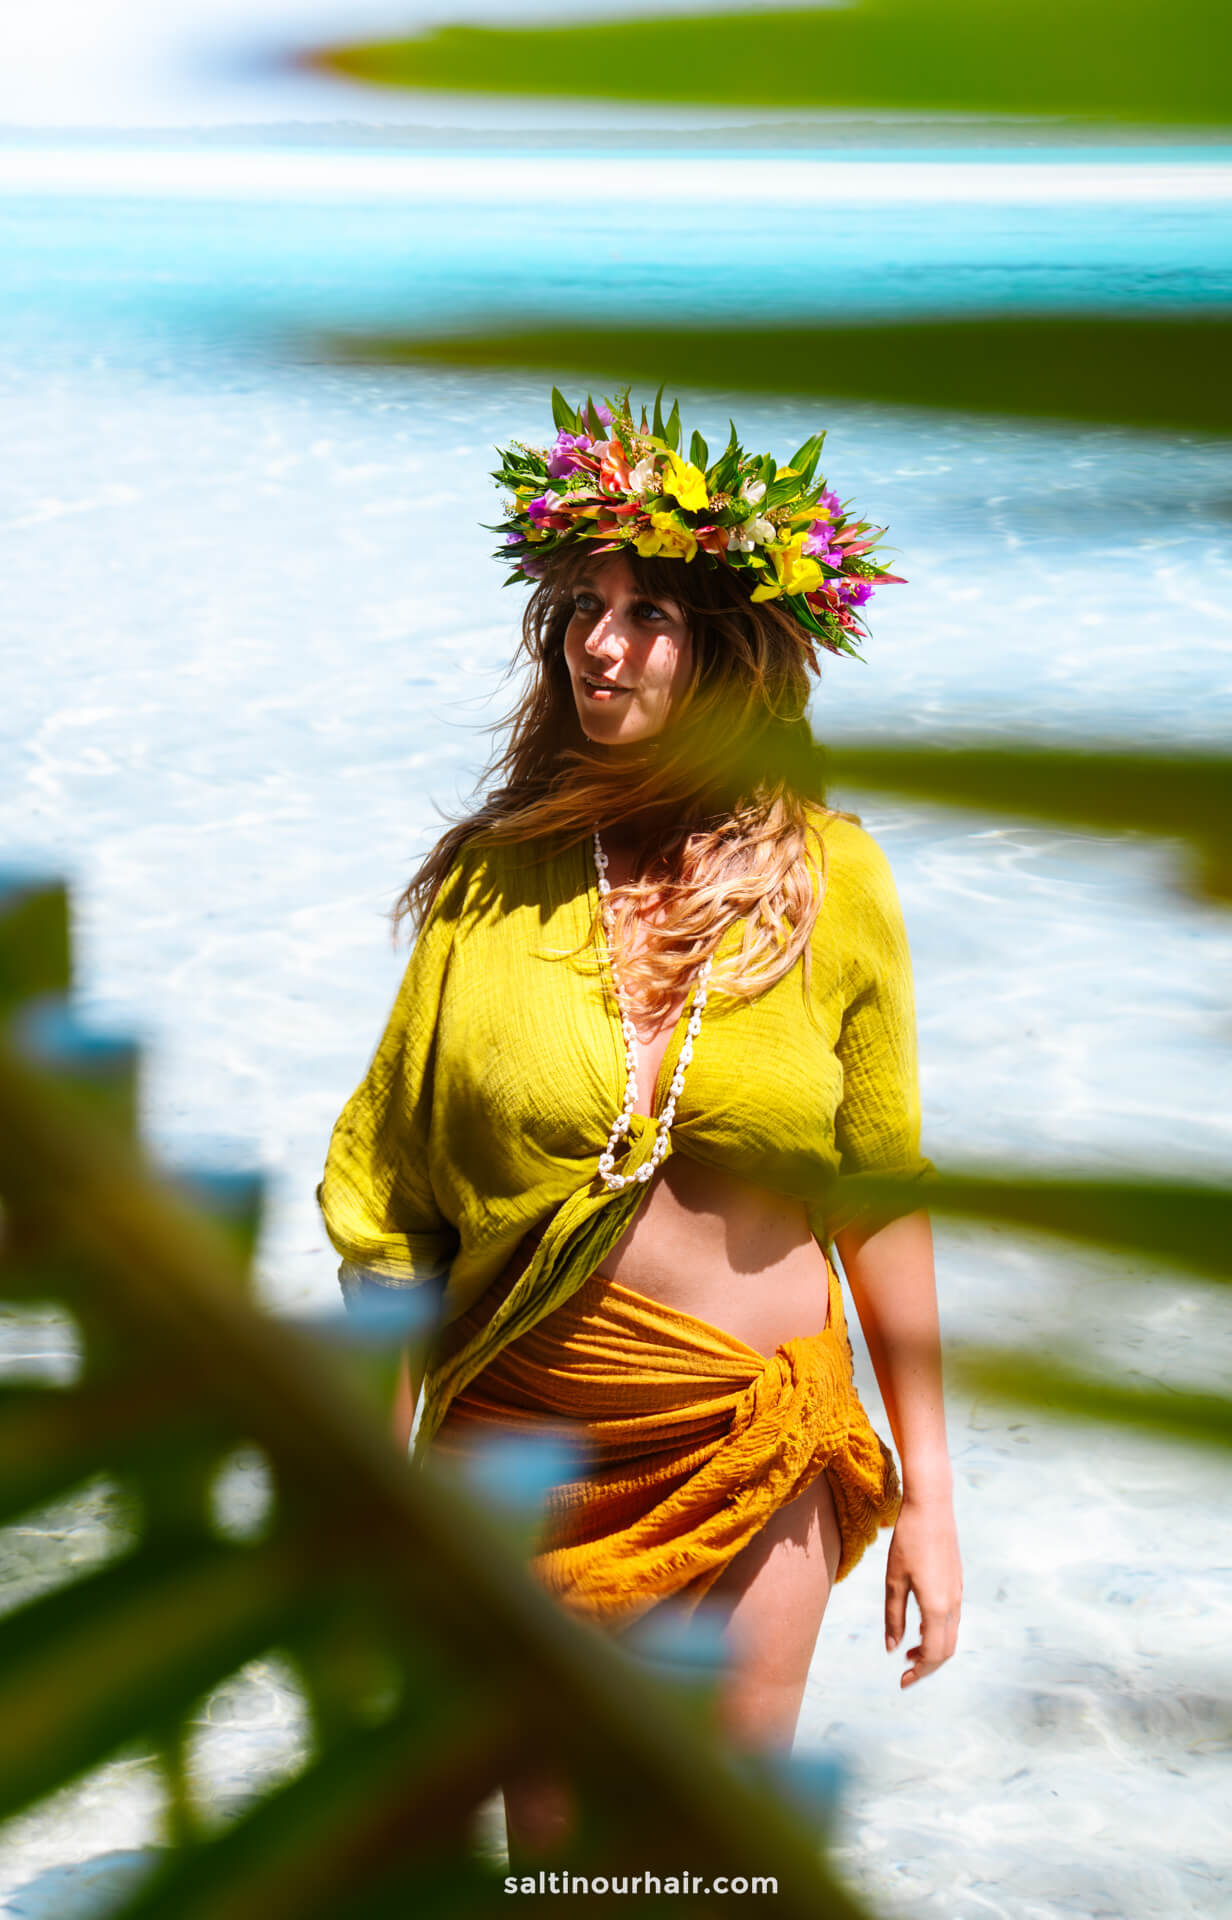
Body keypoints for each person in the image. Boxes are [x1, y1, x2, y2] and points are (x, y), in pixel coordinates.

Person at [317, 388, 962, 1860]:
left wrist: (930, 1498)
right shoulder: (497, 883)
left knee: (712, 1861)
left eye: (650, 611)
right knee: (568, 1874)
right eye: (579, 608)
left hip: (755, 1439)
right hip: (523, 1450)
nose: (599, 644)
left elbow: (881, 1194)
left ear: (732, 646)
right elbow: (393, 1204)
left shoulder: (835, 879)